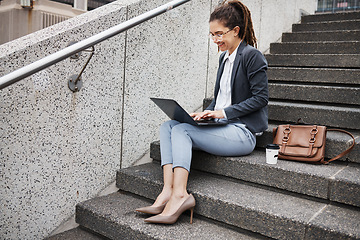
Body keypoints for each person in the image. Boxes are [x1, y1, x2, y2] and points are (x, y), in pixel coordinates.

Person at [136, 0, 268, 224]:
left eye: (219, 34)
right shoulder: (224, 58)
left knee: (182, 132)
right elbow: (219, 99)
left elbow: (260, 98)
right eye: (212, 35)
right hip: (222, 126)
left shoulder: (252, 56)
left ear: (236, 31)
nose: (216, 40)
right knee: (168, 126)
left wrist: (221, 113)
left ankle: (180, 195)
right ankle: (167, 190)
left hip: (242, 132)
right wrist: (205, 113)